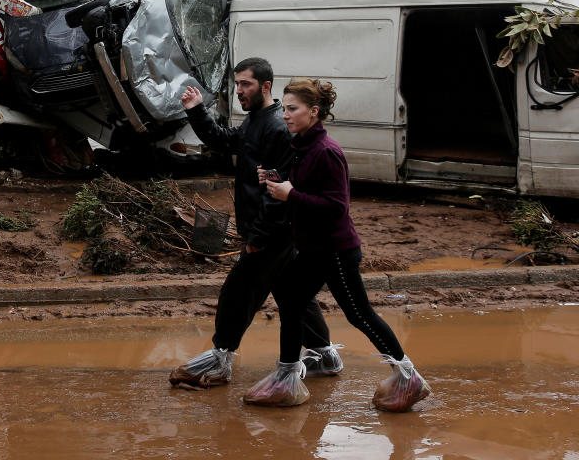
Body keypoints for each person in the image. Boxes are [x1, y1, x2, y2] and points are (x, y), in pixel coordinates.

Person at [247, 77, 431, 411]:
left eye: (292, 109)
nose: (285, 115)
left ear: (313, 112)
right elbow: (301, 185)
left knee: (359, 314)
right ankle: (287, 376)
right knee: (289, 298)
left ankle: (408, 376)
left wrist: (291, 195)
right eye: (284, 108)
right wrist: (275, 179)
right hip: (314, 249)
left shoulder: (327, 152)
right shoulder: (301, 145)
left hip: (334, 250)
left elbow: (336, 207)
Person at [169, 58, 343, 389]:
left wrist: (257, 237)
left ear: (265, 87)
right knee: (292, 293)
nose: (239, 91)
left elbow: (276, 193)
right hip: (268, 229)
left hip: (272, 231)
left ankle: (220, 359)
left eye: (245, 84)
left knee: (237, 291)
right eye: (236, 84)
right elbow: (224, 140)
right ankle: (324, 354)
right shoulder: (255, 121)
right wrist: (195, 110)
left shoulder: (277, 127)